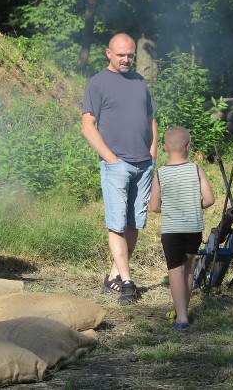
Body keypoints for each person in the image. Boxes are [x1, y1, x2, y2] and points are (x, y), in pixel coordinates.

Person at [81, 33, 157, 305]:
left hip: (143, 164)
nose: (126, 59)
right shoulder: (98, 83)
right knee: (116, 225)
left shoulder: (139, 82)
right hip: (117, 165)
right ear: (108, 53)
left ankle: (113, 275)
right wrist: (111, 159)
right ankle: (127, 281)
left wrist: (152, 151)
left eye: (130, 55)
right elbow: (87, 126)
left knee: (134, 224)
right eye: (121, 54)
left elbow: (150, 119)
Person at [149, 126, 214, 328]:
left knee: (175, 270)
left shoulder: (160, 174)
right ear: (188, 146)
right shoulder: (196, 169)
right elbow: (210, 199)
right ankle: (183, 308)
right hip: (193, 229)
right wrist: (195, 205)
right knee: (188, 268)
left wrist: (167, 209)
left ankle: (182, 316)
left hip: (172, 231)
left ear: (165, 148)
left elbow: (154, 206)